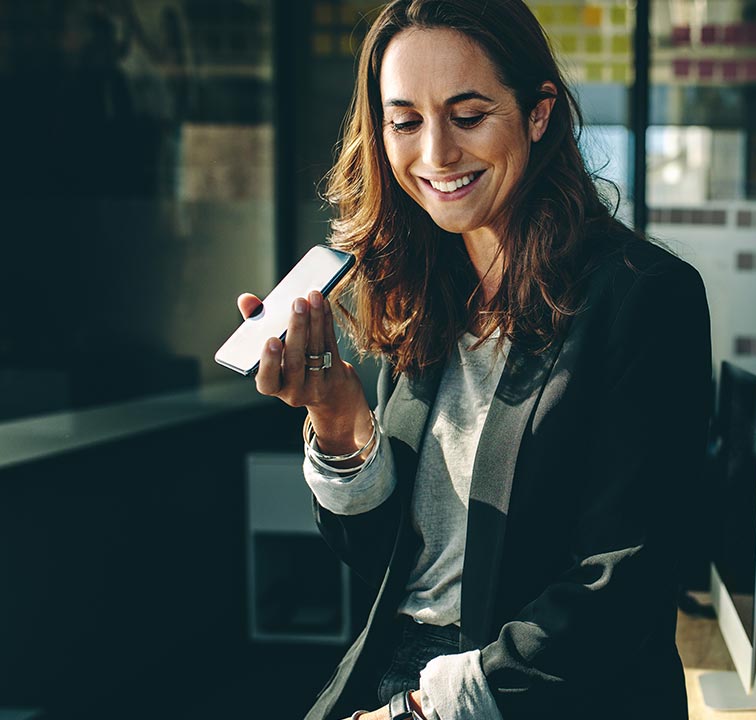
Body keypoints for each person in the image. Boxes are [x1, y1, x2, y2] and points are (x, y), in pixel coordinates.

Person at [234, 1, 711, 718]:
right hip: (389, 671)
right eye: (405, 121)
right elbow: (390, 563)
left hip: (526, 694)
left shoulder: (643, 298)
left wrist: (420, 712)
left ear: (538, 113)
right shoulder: (427, 290)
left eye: (467, 115)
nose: (435, 155)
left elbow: (623, 585)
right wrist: (337, 417)